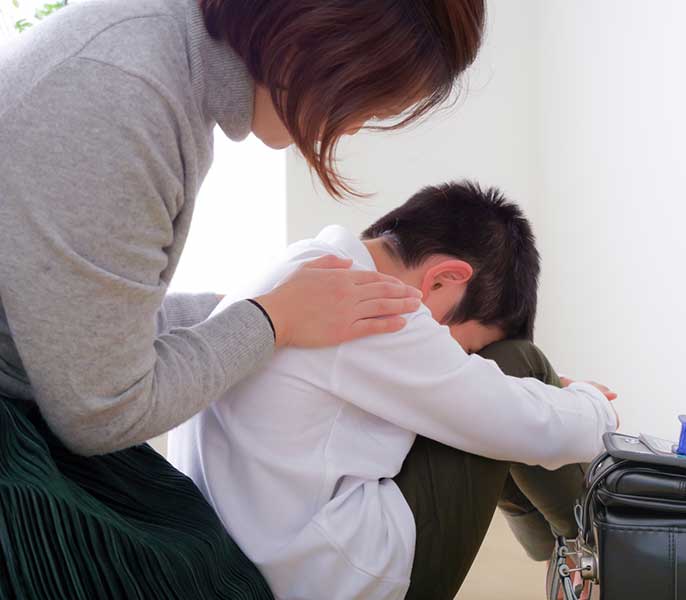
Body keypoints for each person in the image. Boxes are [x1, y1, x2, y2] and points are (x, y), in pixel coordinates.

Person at [0, 1, 485, 597]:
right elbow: (104, 408)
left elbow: (81, 317)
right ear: (320, 40)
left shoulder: (155, 61)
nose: (353, 128)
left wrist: (256, 304)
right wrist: (270, 317)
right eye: (368, 104)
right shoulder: (122, 91)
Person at [169, 181, 620, 600]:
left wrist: (531, 396)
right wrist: (597, 406)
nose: (461, 359)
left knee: (504, 397)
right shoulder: (371, 304)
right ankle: (603, 562)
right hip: (325, 581)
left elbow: (477, 401)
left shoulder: (305, 266)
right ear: (444, 279)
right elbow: (517, 422)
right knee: (517, 362)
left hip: (258, 559)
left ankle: (575, 552)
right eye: (467, 347)